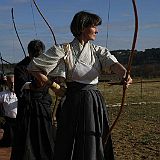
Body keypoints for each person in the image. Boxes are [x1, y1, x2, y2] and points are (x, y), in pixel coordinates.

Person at [28, 11, 133, 160]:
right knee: (70, 142)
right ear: (83, 27)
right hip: (72, 101)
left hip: (94, 101)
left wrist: (125, 74)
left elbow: (113, 64)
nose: (97, 30)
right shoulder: (63, 50)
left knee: (93, 140)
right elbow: (33, 66)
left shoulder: (98, 51)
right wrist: (54, 87)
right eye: (94, 26)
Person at [10, 40, 55, 160]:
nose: (36, 58)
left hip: (43, 105)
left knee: (45, 136)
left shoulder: (46, 65)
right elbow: (22, 86)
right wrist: (37, 83)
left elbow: (52, 82)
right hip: (27, 107)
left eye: (39, 55)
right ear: (29, 53)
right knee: (25, 139)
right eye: (34, 55)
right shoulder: (21, 67)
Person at [0, 73, 17, 147]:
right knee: (8, 142)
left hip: (20, 121)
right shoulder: (2, 94)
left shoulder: (22, 93)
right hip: (9, 121)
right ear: (7, 83)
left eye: (14, 82)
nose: (12, 84)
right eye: (10, 82)